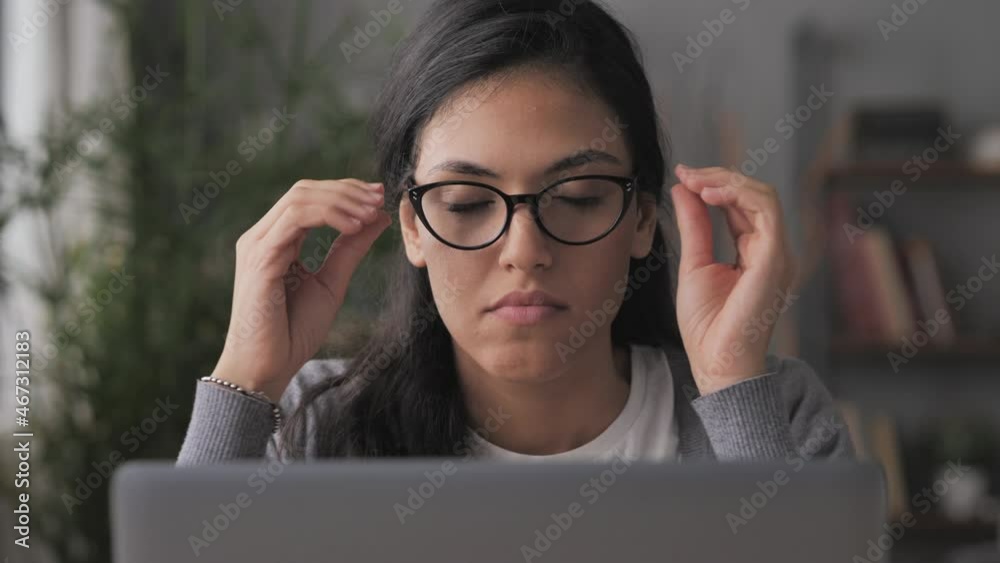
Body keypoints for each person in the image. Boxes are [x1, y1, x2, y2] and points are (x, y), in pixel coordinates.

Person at [177, 0, 853, 467]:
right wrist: (246, 376)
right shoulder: (312, 425)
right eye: (468, 202)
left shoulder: (775, 413)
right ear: (412, 226)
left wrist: (734, 390)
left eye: (579, 198)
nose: (525, 251)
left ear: (644, 218)